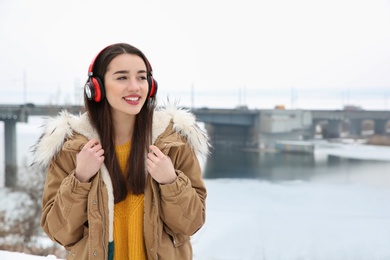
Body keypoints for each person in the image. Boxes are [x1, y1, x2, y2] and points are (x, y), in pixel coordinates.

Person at [32, 43, 210, 260]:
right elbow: (58, 232)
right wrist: (80, 179)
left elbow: (191, 224)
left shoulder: (174, 144)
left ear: (151, 85)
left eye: (142, 77)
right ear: (96, 87)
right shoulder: (72, 148)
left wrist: (170, 182)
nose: (135, 86)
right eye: (122, 77)